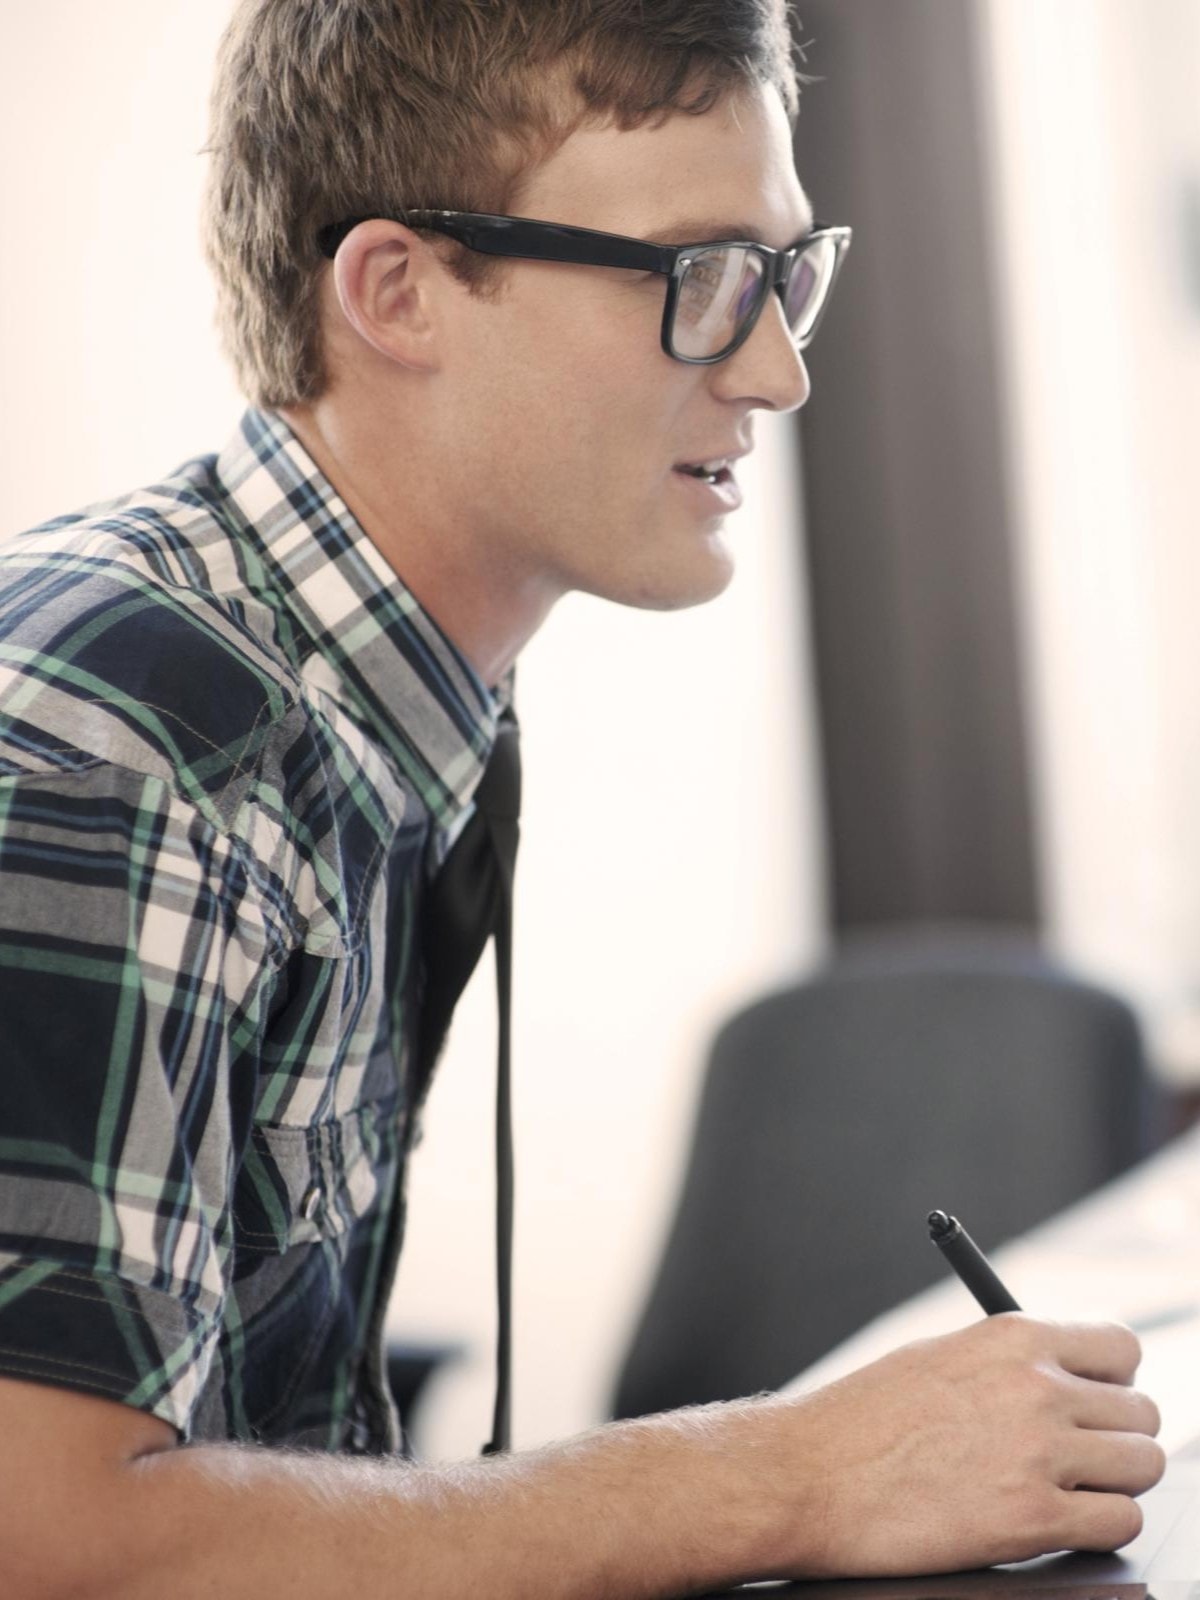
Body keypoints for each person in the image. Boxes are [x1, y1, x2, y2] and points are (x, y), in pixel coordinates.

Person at [0, 1, 1164, 1595]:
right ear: (399, 291)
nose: (779, 370)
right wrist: (796, 1473)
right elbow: (55, 1544)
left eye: (785, 272)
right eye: (701, 280)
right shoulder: (126, 730)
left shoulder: (371, 694)